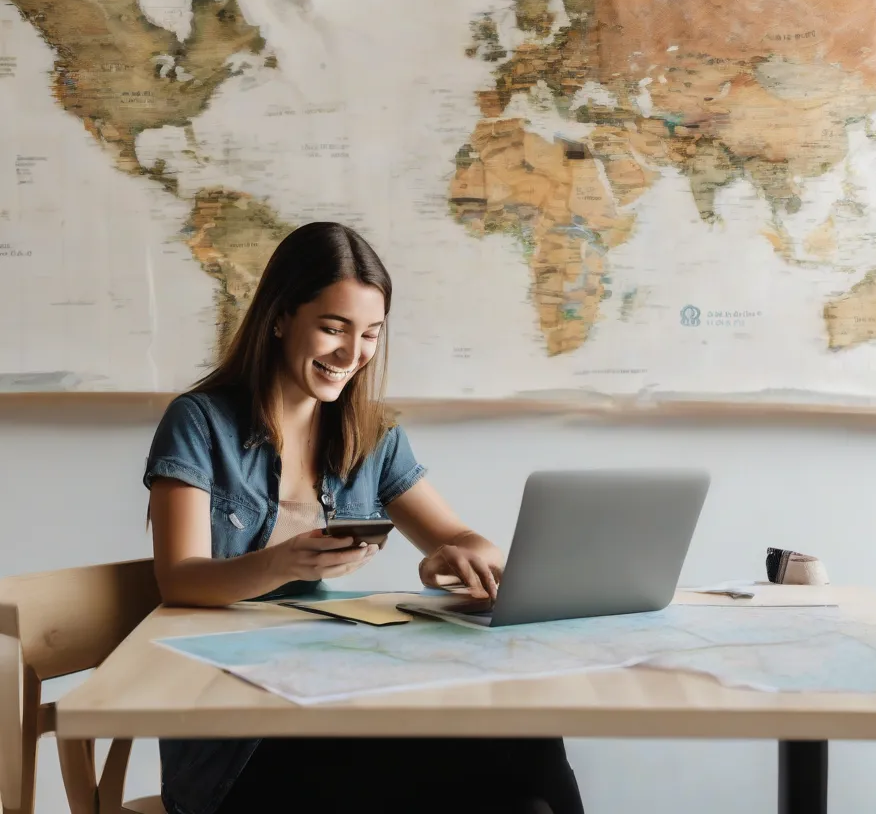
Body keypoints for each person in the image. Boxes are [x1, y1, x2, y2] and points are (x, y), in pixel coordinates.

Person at [144, 222, 584, 814]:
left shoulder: (370, 433)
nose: (352, 355)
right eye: (333, 328)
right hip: (238, 740)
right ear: (280, 318)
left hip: (331, 700)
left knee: (528, 745)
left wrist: (462, 556)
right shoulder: (198, 423)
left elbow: (457, 535)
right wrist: (279, 563)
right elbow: (179, 578)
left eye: (371, 334)